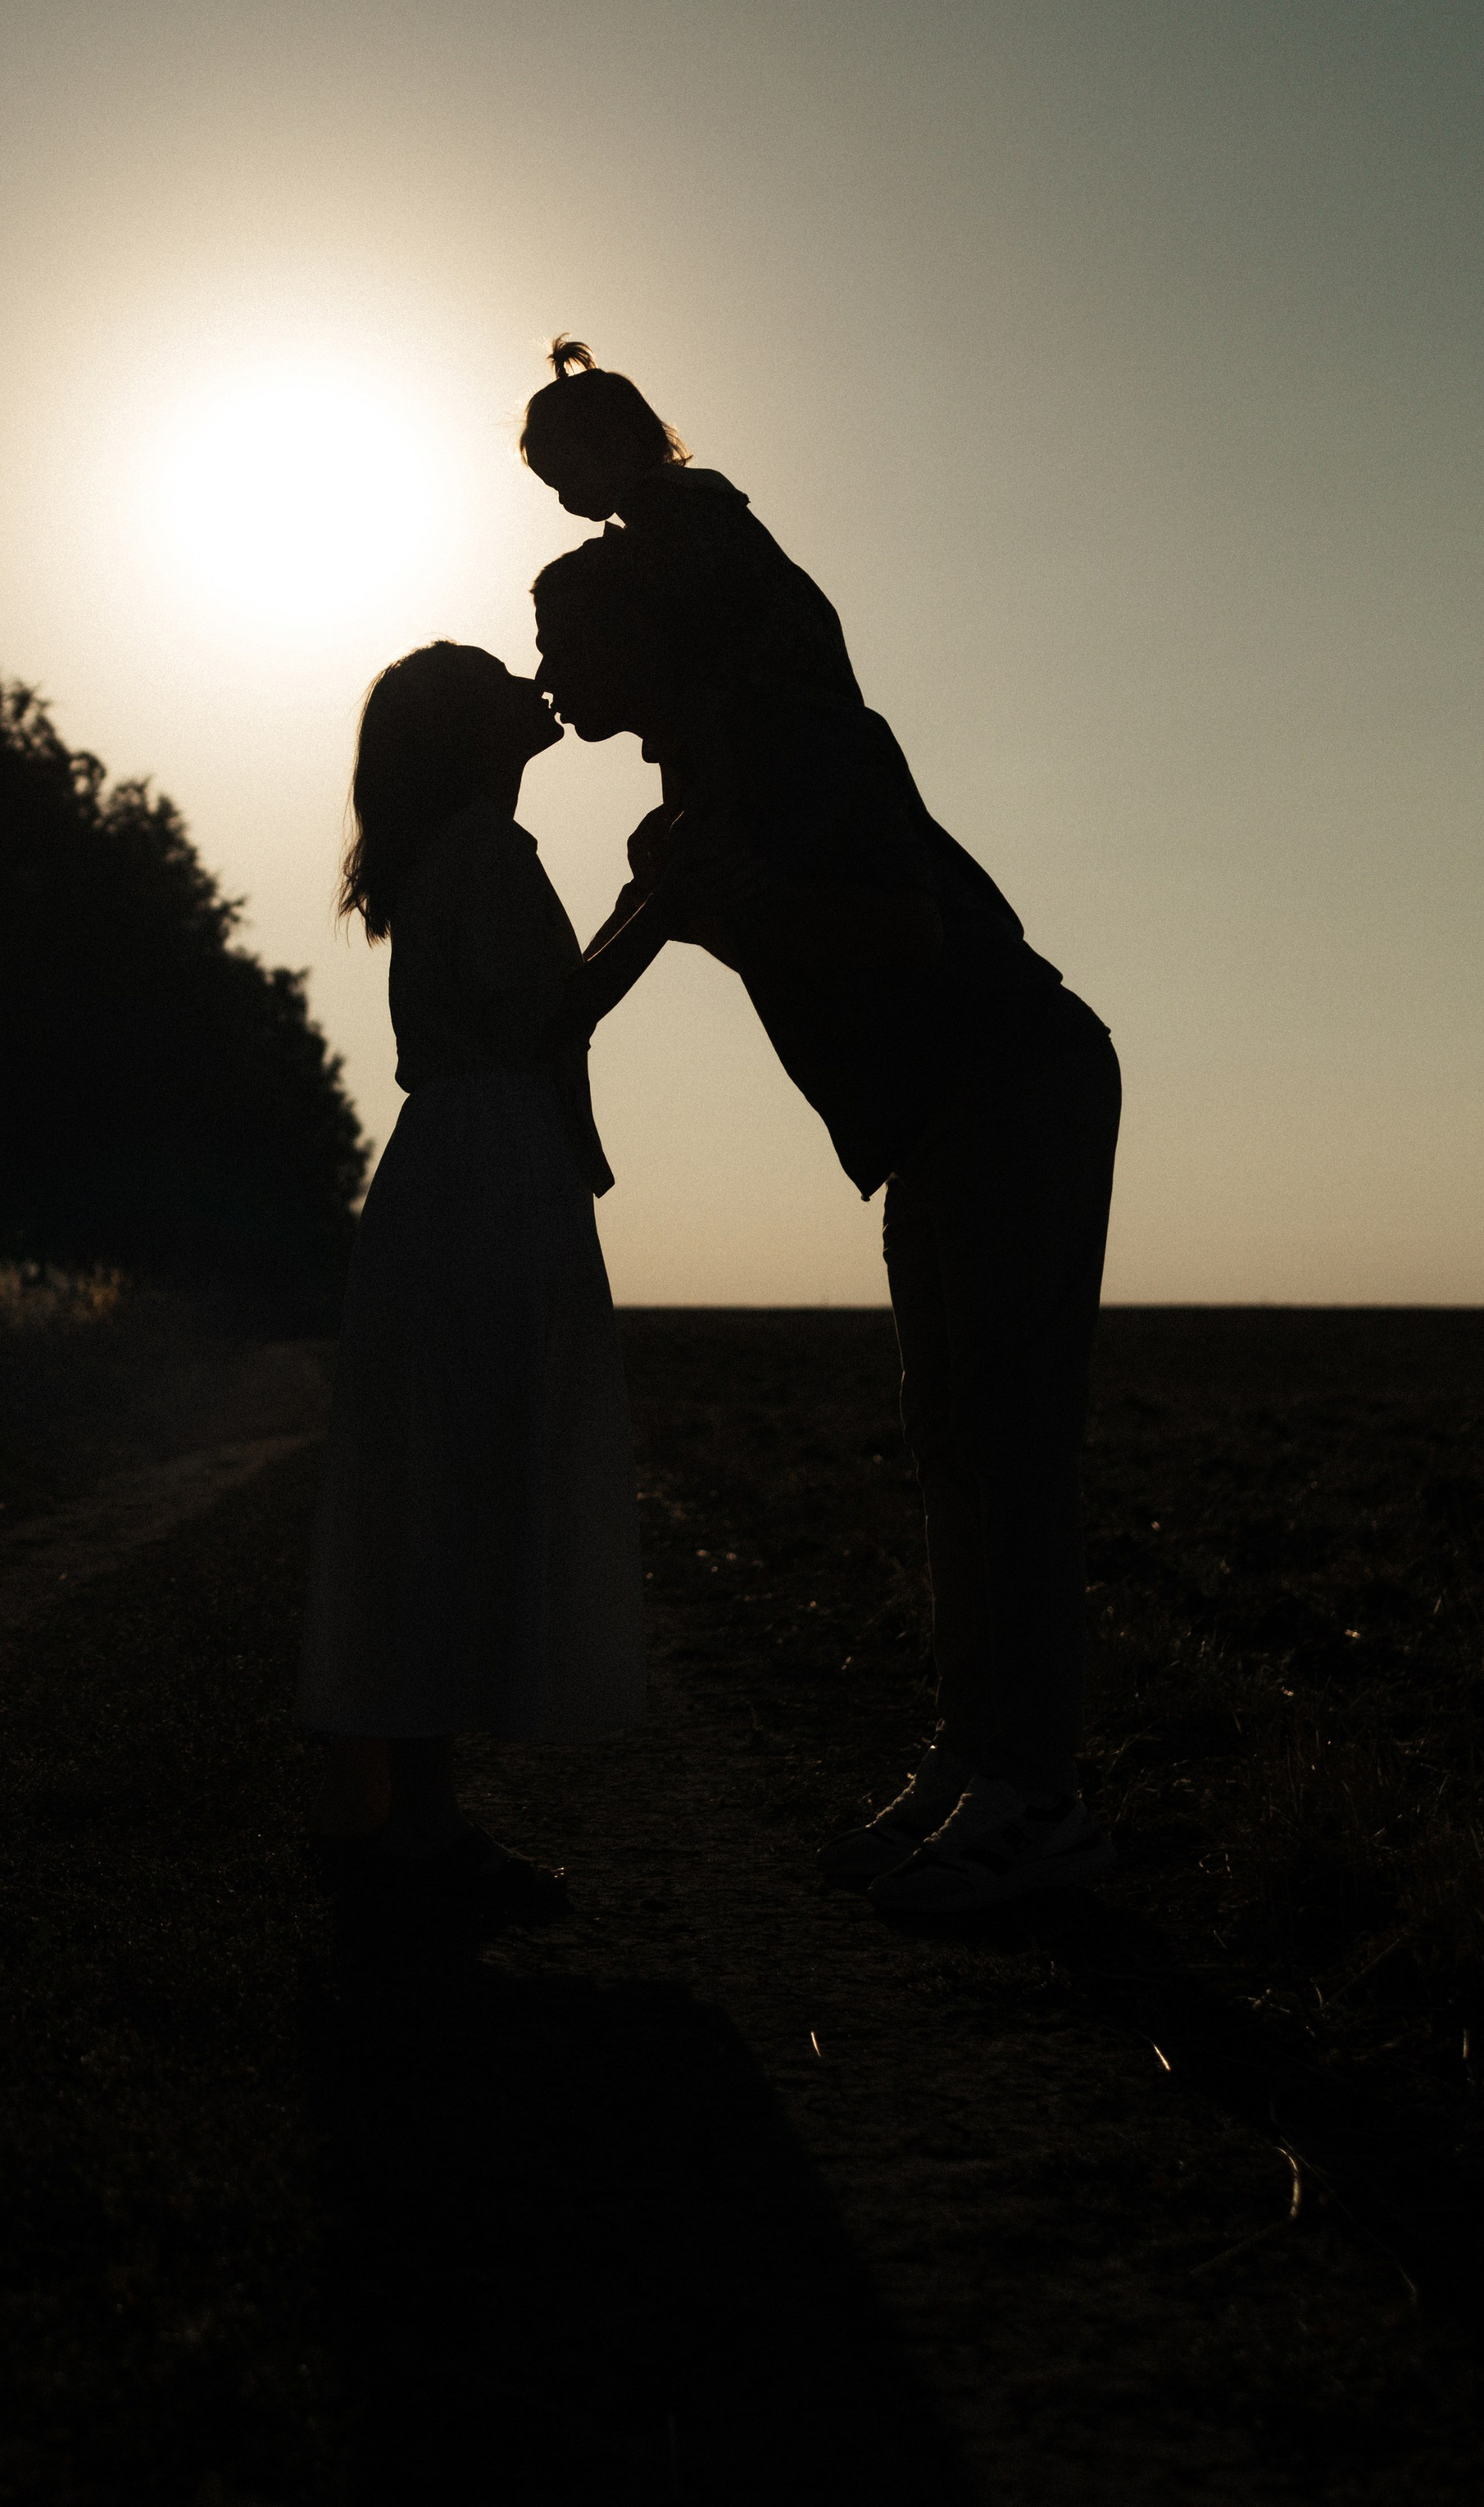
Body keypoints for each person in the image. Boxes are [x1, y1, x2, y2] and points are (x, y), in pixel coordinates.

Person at [531, 535, 1122, 1917]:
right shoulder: (703, 790)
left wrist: (719, 901)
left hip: (1011, 1084)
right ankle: (978, 1765)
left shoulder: (803, 741)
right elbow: (619, 963)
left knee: (1006, 1448)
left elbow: (906, 929)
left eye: (566, 637)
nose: (549, 668)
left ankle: (1039, 1805)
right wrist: (539, 1032)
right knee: (956, 1447)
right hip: (939, 1121)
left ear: (648, 635)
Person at [297, 639, 683, 1923]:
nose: (537, 683)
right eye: (502, 680)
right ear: (474, 733)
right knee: (466, 1479)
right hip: (490, 1170)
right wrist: (663, 915)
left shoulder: (451, 853)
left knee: (438, 1485)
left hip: (456, 1167)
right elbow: (541, 1018)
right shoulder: (485, 852)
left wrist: (641, 910)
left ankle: (415, 1826)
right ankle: (424, 1836)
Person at [520, 334, 862, 715]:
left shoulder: (666, 507)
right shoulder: (689, 501)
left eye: (567, 475)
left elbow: (699, 609)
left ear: (616, 443)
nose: (565, 497)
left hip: (781, 696)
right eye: (554, 486)